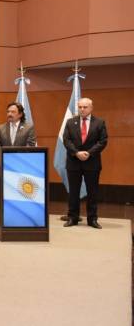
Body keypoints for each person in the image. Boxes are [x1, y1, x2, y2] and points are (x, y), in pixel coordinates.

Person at [63, 98, 107, 229]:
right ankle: (73, 217)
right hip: (73, 162)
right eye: (80, 107)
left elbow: (103, 141)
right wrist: (76, 153)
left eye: (85, 107)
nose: (82, 109)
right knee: (73, 192)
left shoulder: (99, 122)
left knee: (92, 192)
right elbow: (66, 140)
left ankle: (92, 219)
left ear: (91, 108)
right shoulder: (70, 122)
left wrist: (88, 153)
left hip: (92, 162)